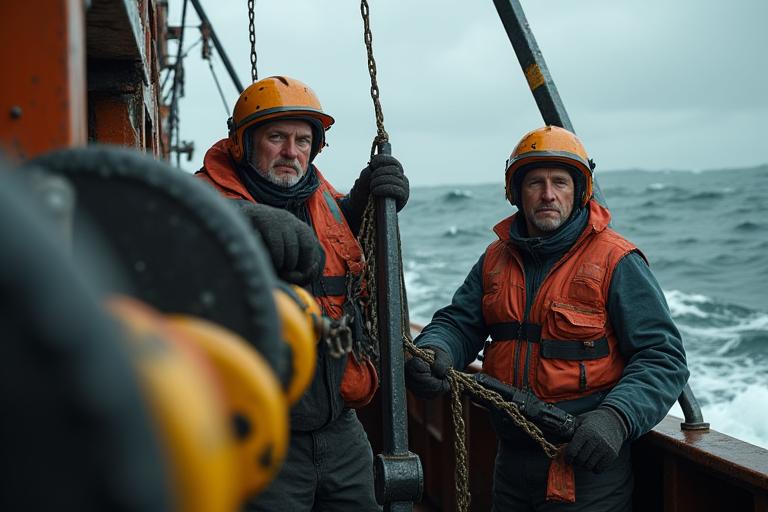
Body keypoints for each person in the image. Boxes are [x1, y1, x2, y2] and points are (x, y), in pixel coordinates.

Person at [404, 126, 688, 511]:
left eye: (560, 182)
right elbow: (459, 323)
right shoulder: (495, 259)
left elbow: (663, 358)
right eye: (535, 182)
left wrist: (616, 419)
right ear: (517, 193)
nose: (548, 194)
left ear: (579, 191)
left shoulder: (616, 261)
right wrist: (434, 348)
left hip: (586, 466)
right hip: (510, 461)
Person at [196, 75, 409, 511]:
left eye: (303, 140)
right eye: (276, 138)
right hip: (258, 433)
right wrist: (244, 217)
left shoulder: (323, 197)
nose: (292, 152)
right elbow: (168, 226)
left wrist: (368, 200)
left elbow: (337, 246)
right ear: (242, 143)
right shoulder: (198, 201)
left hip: (339, 429)